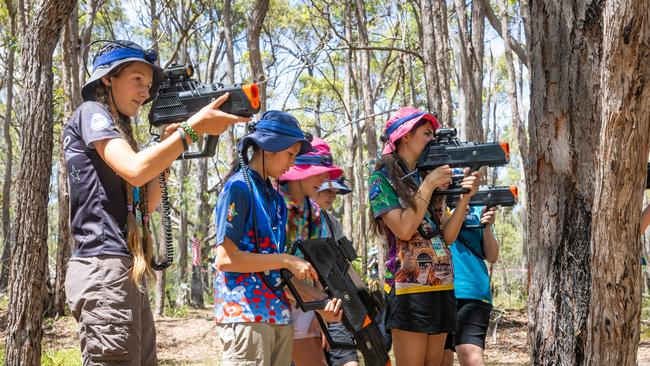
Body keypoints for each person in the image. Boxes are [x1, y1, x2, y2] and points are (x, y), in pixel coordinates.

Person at [63, 40, 248, 365]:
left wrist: (167, 147)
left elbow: (146, 204)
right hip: (103, 267)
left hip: (123, 270)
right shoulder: (91, 113)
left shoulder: (121, 129)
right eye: (137, 79)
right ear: (108, 78)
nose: (145, 92)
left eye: (148, 85)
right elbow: (135, 170)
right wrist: (191, 130)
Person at [213, 111, 343, 366]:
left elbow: (278, 275)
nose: (292, 163)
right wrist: (286, 260)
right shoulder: (238, 188)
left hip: (279, 317)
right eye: (290, 154)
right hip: (246, 317)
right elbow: (226, 259)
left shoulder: (276, 200)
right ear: (270, 147)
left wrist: (322, 305)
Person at [368, 107, 480, 366]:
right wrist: (428, 185)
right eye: (427, 133)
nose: (432, 139)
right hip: (408, 287)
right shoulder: (381, 179)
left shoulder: (425, 176)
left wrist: (464, 200)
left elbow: (445, 237)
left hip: (442, 283)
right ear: (405, 136)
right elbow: (404, 229)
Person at [279, 137, 345, 366]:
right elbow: (272, 270)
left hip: (305, 303)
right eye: (319, 172)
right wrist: (317, 302)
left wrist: (319, 312)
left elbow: (316, 265)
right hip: (269, 305)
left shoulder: (315, 213)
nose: (326, 181)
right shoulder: (273, 205)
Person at [441, 204, 500, 366]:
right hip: (435, 289)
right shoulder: (433, 201)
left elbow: (492, 256)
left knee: (470, 357)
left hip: (471, 290)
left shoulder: (478, 208)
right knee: (440, 359)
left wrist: (487, 227)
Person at [314, 177, 360, 366]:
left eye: (335, 192)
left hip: (336, 305)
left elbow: (345, 266)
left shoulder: (332, 222)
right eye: (327, 191)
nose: (333, 197)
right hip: (306, 308)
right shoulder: (292, 221)